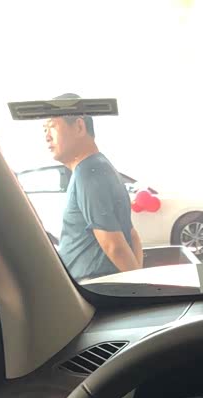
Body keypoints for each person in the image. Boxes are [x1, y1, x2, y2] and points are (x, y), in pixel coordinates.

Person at [43, 94, 143, 280]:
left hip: (93, 286)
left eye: (52, 126)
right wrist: (139, 277)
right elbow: (132, 235)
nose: (47, 136)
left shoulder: (88, 173)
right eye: (44, 130)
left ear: (79, 127)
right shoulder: (102, 167)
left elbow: (114, 246)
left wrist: (140, 285)